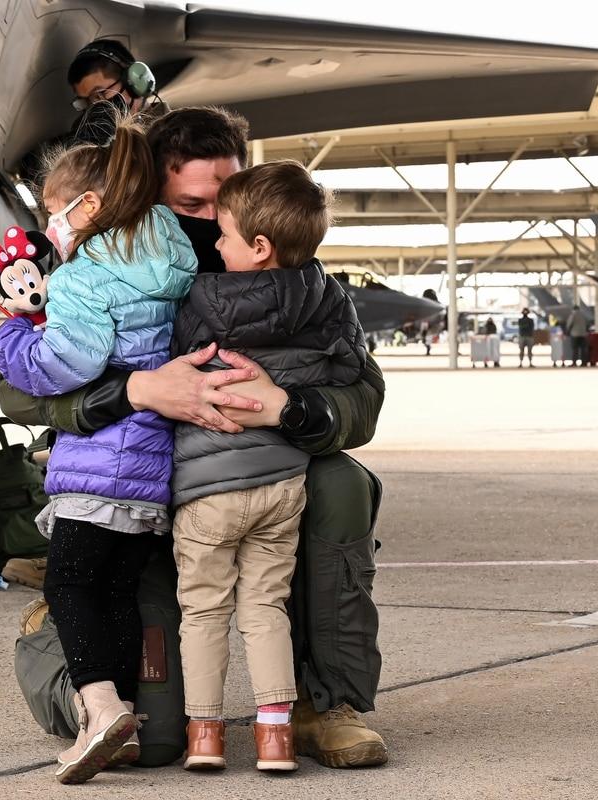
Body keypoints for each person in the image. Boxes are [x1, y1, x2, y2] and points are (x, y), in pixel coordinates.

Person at [1, 106, 388, 769]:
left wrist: (288, 407)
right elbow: (22, 391)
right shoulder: (117, 264)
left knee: (341, 483)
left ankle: (328, 701)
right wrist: (137, 391)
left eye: (226, 201)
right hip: (145, 475)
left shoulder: (283, 266)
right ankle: (63, 659)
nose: (212, 221)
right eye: (193, 204)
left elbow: (364, 397)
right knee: (153, 742)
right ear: (155, 193)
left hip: (249, 465)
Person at [0, 119, 196, 784]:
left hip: (96, 465)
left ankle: (99, 706)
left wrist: (13, 334)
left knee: (68, 586)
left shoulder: (85, 275)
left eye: (53, 211)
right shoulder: (169, 260)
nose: (51, 224)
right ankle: (128, 720)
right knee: (116, 592)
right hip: (150, 472)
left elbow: (64, 365)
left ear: (91, 206)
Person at [171, 161, 367, 774]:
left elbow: (174, 363)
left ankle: (204, 734)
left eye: (224, 234)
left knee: (203, 610)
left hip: (208, 487)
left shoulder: (200, 296)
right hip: (281, 486)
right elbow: (349, 372)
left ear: (257, 247)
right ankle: (275, 736)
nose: (215, 243)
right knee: (265, 608)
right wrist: (293, 401)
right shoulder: (328, 296)